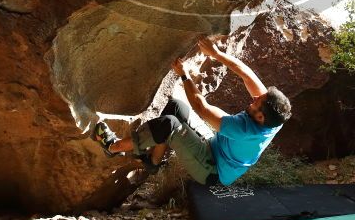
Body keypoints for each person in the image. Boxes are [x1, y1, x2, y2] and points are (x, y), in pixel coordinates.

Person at [91, 37, 291, 186]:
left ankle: (113, 147)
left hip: (211, 170)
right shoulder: (275, 116)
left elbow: (201, 107)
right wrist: (217, 54)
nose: (256, 97)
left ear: (260, 116)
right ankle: (153, 161)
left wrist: (184, 76)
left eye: (258, 102)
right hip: (215, 146)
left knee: (169, 124)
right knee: (175, 107)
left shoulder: (242, 130)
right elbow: (247, 75)